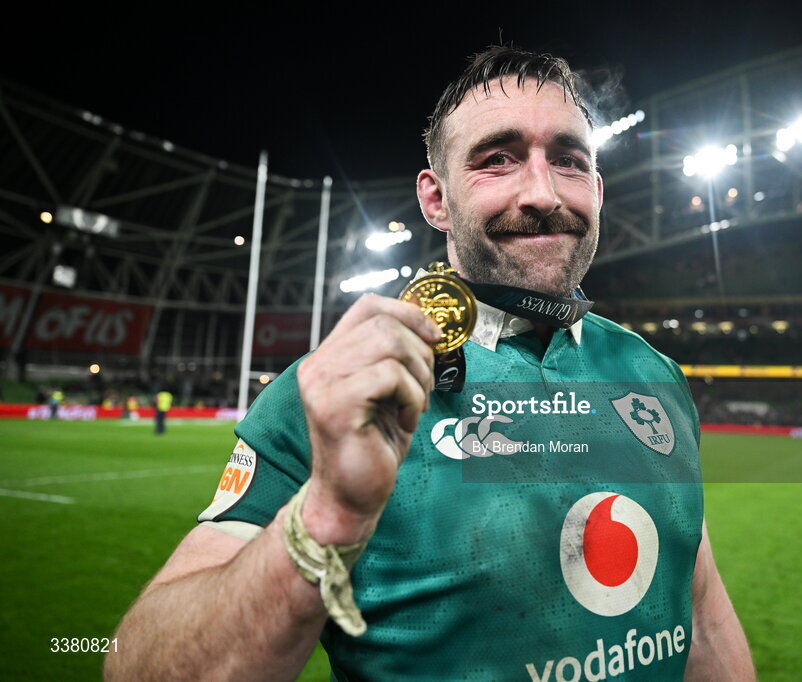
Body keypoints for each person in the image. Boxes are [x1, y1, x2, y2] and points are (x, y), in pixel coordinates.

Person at [106, 46, 755, 681]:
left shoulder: (652, 374)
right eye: (497, 160)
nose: (541, 191)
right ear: (436, 199)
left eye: (568, 160)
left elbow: (699, 612)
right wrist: (330, 514)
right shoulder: (333, 396)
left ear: (597, 189)